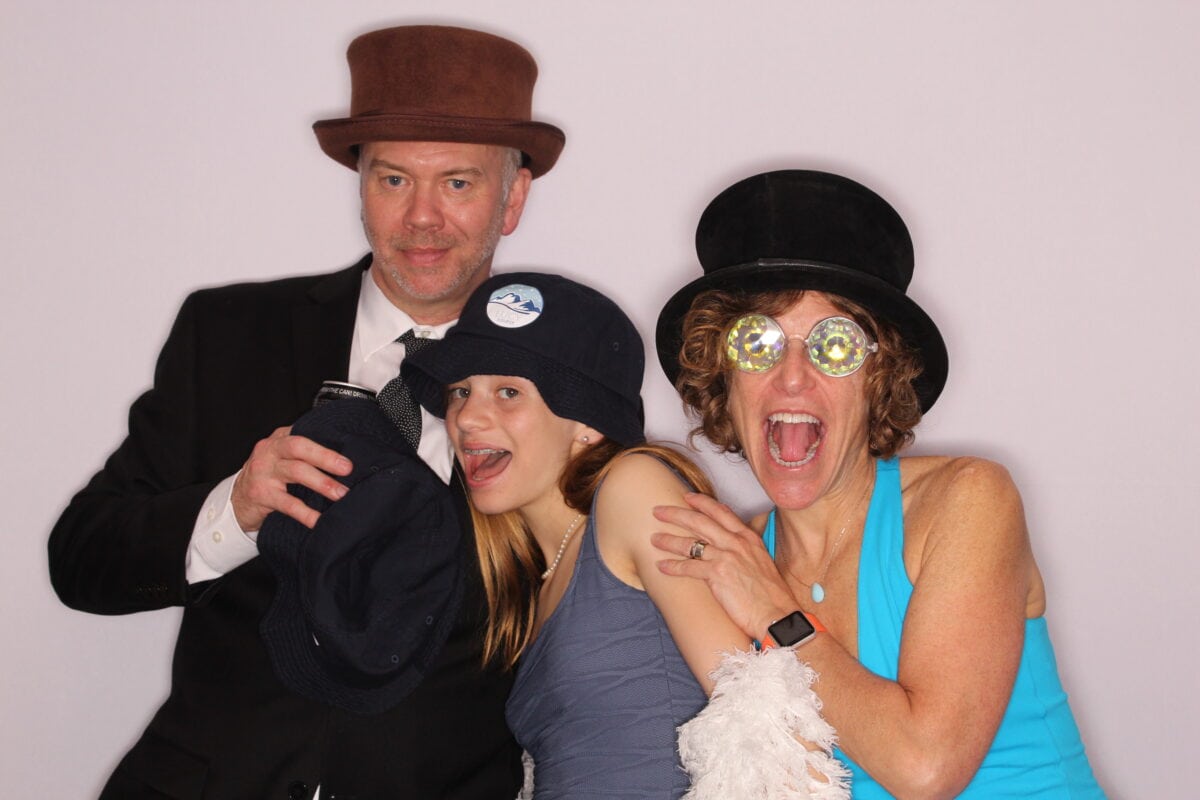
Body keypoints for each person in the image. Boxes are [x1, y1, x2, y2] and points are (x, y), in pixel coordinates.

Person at [47, 25, 563, 799]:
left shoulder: (563, 386)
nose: (422, 217)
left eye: (458, 183)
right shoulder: (227, 334)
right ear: (360, 184)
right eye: (393, 179)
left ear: (513, 197)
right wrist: (235, 509)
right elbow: (82, 560)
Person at [651, 170, 1106, 798]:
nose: (791, 377)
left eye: (835, 346)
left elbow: (926, 768)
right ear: (724, 379)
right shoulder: (740, 557)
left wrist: (775, 614)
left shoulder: (969, 499)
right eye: (757, 342)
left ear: (879, 381)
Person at [401, 272, 847, 800]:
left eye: (508, 392)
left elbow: (772, 731)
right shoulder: (540, 577)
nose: (467, 418)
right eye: (460, 391)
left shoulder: (632, 489)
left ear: (587, 423)